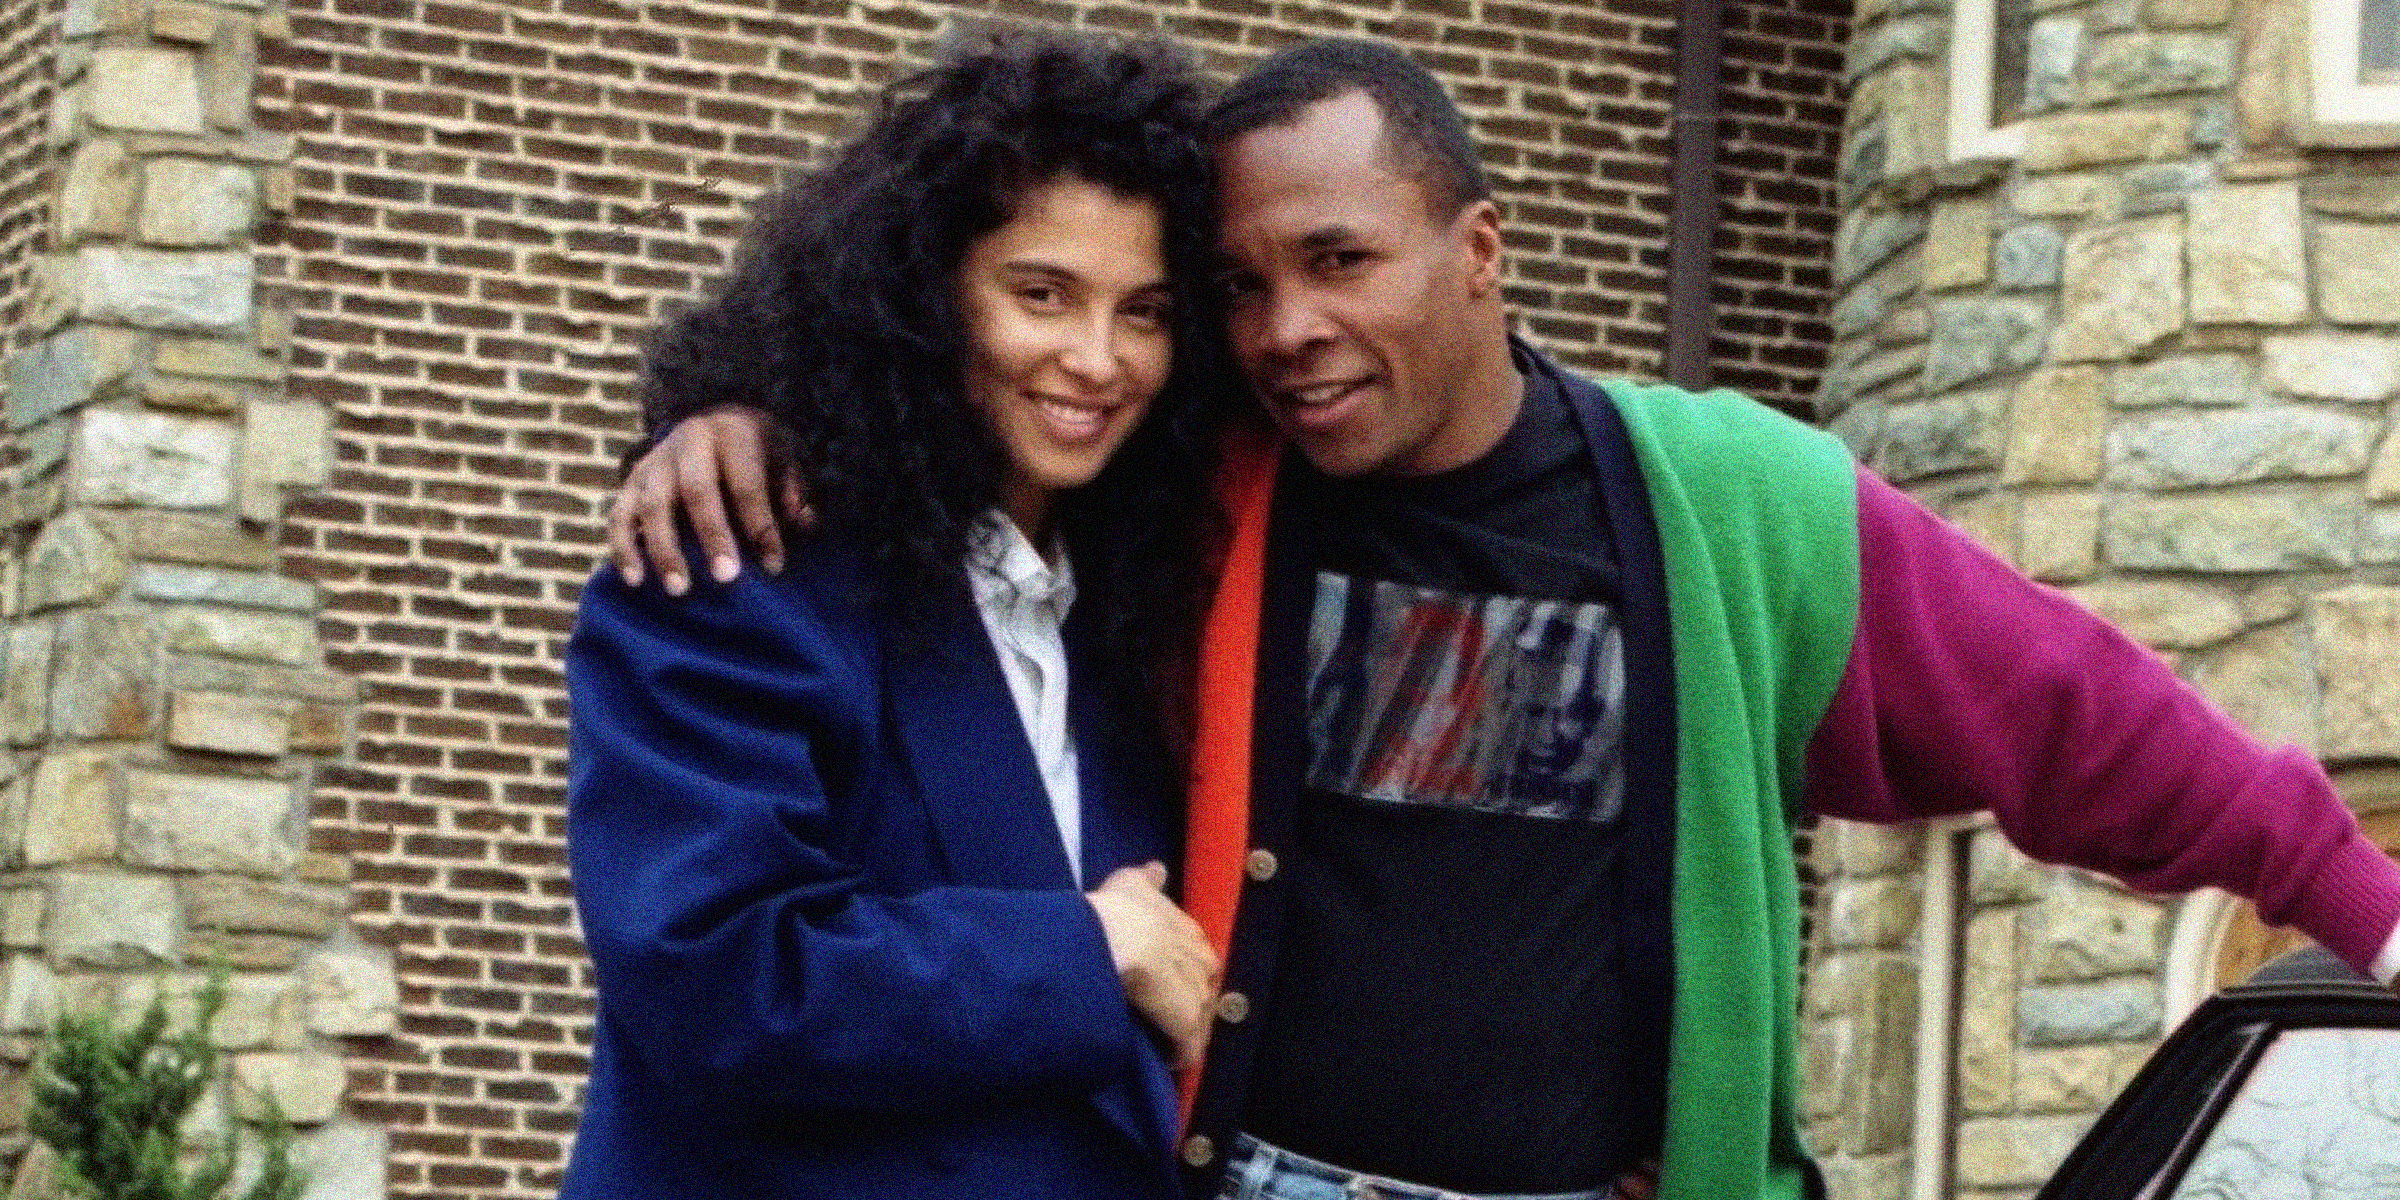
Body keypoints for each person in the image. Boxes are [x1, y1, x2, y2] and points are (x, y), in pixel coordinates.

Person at [603, 35, 2400, 1200]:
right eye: (1237, 287)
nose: (1283, 326)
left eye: (1341, 261)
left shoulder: (1729, 506)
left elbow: (2078, 717)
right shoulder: (1200, 485)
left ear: (1477, 247)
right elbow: (967, 402)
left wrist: (2366, 909)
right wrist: (748, 421)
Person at [561, 29, 1234, 1200]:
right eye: (1041, 294)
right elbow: (719, 977)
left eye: (1148, 311)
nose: (1097, 358)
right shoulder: (739, 560)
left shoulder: (1134, 619)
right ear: (925, 298)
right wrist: (1094, 950)